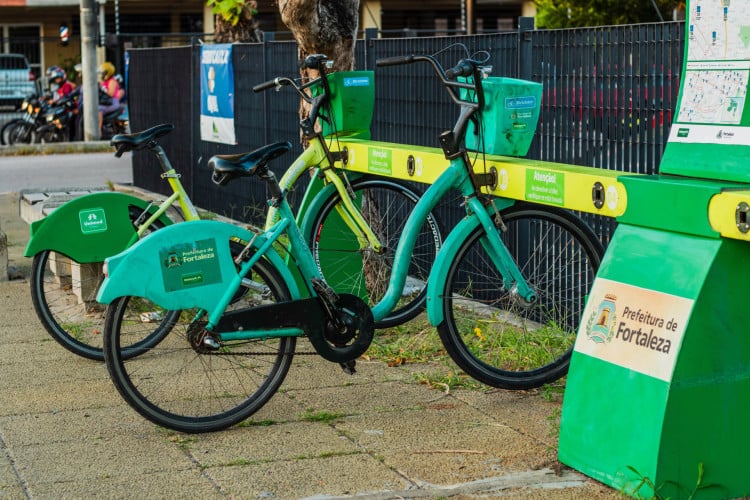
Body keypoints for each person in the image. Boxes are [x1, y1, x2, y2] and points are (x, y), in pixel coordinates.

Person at [98, 61, 123, 132]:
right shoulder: (103, 81)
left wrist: (102, 87)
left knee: (98, 109)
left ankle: (98, 130)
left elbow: (111, 93)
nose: (102, 74)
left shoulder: (112, 81)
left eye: (103, 72)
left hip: (113, 102)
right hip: (105, 102)